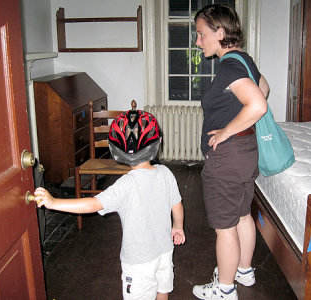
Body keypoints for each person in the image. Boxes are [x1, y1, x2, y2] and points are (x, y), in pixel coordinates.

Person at [34, 109, 186, 300]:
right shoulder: (165, 172)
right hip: (164, 251)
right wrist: (177, 227)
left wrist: (54, 202)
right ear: (158, 144)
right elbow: (177, 205)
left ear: (115, 150)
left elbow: (92, 204)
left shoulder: (126, 185)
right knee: (162, 290)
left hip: (138, 261)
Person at [192, 4, 269, 300]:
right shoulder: (243, 59)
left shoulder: (228, 65)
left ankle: (225, 288)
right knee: (241, 216)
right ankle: (244, 271)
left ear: (219, 33)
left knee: (224, 227)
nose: (198, 42)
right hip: (246, 152)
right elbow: (264, 89)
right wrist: (238, 117)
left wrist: (225, 130)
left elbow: (258, 104)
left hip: (227, 157)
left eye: (201, 35)